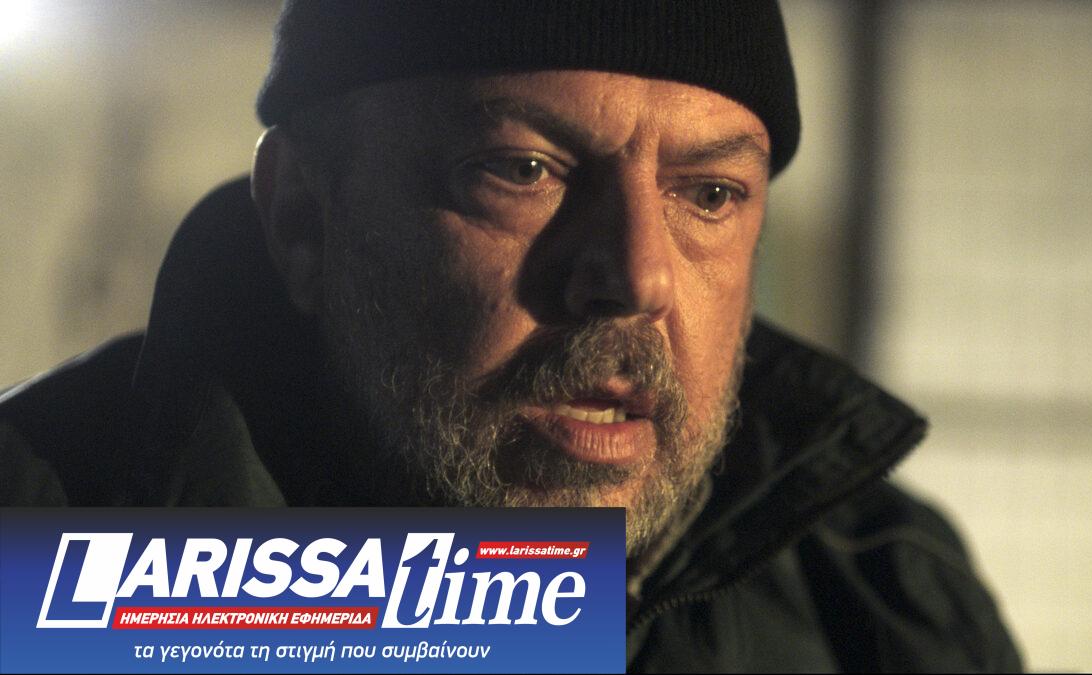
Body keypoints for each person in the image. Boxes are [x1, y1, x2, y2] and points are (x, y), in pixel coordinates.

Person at [0, 1, 1021, 671]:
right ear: (305, 218)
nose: (635, 277)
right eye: (523, 170)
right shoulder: (40, 569)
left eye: (709, 193)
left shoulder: (879, 593)